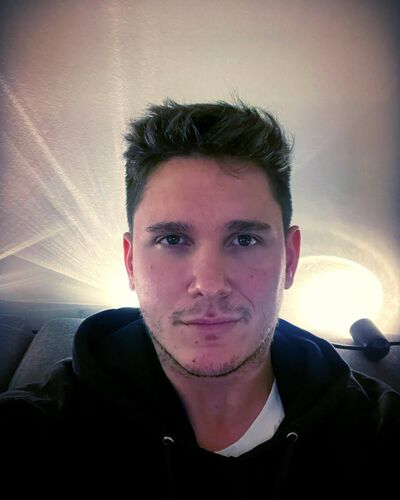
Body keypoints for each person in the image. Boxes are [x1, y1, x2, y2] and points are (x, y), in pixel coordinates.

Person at [1, 99, 399, 499]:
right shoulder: (35, 431)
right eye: (172, 239)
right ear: (131, 263)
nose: (209, 284)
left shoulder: (378, 431)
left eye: (245, 239)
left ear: (290, 259)